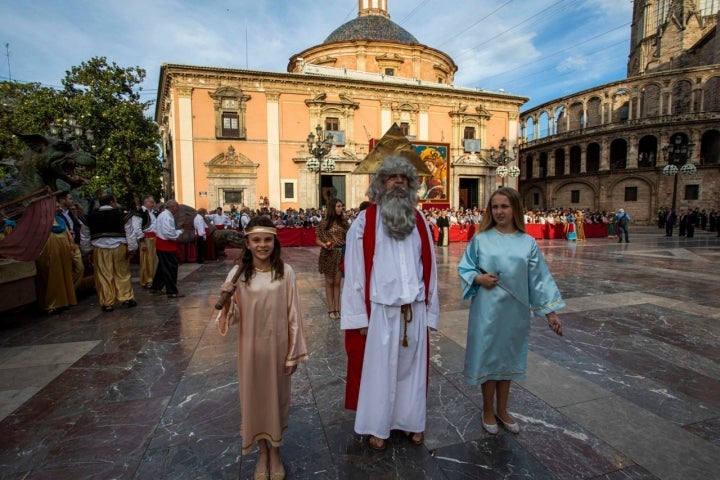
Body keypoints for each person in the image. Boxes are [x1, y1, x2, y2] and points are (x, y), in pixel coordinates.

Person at [340, 154, 439, 450]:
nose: (398, 182)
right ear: (380, 184)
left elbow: (430, 266)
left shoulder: (420, 219)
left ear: (411, 185)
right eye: (391, 177)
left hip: (415, 309)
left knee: (412, 371)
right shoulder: (365, 221)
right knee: (380, 372)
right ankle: (378, 426)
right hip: (380, 310)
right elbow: (355, 271)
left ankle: (411, 423)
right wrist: (359, 318)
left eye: (404, 178)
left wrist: (430, 312)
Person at [457, 187, 564, 435]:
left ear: (514, 208)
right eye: (495, 207)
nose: (499, 211)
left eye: (504, 206)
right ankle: (487, 410)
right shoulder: (481, 239)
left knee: (507, 357)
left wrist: (551, 313)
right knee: (488, 357)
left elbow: (538, 279)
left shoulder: (527, 243)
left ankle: (502, 409)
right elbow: (465, 267)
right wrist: (478, 279)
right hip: (487, 310)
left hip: (514, 312)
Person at [216, 216, 308, 480]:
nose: (262, 245)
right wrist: (226, 299)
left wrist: (293, 354)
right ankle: (262, 452)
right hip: (250, 350)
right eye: (256, 240)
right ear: (247, 243)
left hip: (278, 350)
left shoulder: (286, 272)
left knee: (277, 401)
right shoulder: (238, 273)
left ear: (274, 241)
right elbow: (230, 318)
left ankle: (276, 452)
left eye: (267, 239)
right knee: (254, 400)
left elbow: (294, 315)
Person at [82, 194, 139, 312]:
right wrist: (132, 248)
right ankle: (126, 297)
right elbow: (130, 233)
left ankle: (107, 302)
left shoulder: (89, 218)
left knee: (103, 275)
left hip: (99, 249)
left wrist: (87, 251)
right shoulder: (123, 216)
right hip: (119, 247)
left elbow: (85, 236)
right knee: (122, 273)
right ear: (112, 202)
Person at [35, 207, 77, 315]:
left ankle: (64, 302)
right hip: (48, 255)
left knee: (64, 277)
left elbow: (69, 237)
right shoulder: (39, 223)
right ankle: (52, 304)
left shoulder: (60, 220)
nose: (58, 208)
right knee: (52, 278)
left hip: (63, 255)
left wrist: (71, 249)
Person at [316, 198, 349, 320]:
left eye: (341, 206)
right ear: (332, 208)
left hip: (341, 253)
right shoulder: (324, 223)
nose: (341, 208)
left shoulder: (344, 223)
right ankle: (330, 309)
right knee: (329, 282)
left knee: (337, 282)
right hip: (328, 255)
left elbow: (350, 236)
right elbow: (317, 239)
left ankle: (337, 309)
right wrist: (324, 245)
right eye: (338, 206)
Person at [149, 199, 184, 298]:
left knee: (162, 268)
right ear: (172, 207)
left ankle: (156, 287)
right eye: (177, 207)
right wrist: (179, 232)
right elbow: (169, 233)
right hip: (166, 245)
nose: (177, 209)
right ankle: (172, 291)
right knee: (170, 268)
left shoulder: (163, 215)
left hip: (162, 243)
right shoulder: (167, 216)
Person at [133, 195, 158, 289]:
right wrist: (141, 241)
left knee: (155, 260)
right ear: (146, 202)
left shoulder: (154, 213)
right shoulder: (139, 213)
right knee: (147, 260)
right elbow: (136, 228)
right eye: (151, 202)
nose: (153, 204)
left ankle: (155, 278)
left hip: (155, 238)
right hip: (146, 239)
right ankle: (148, 280)